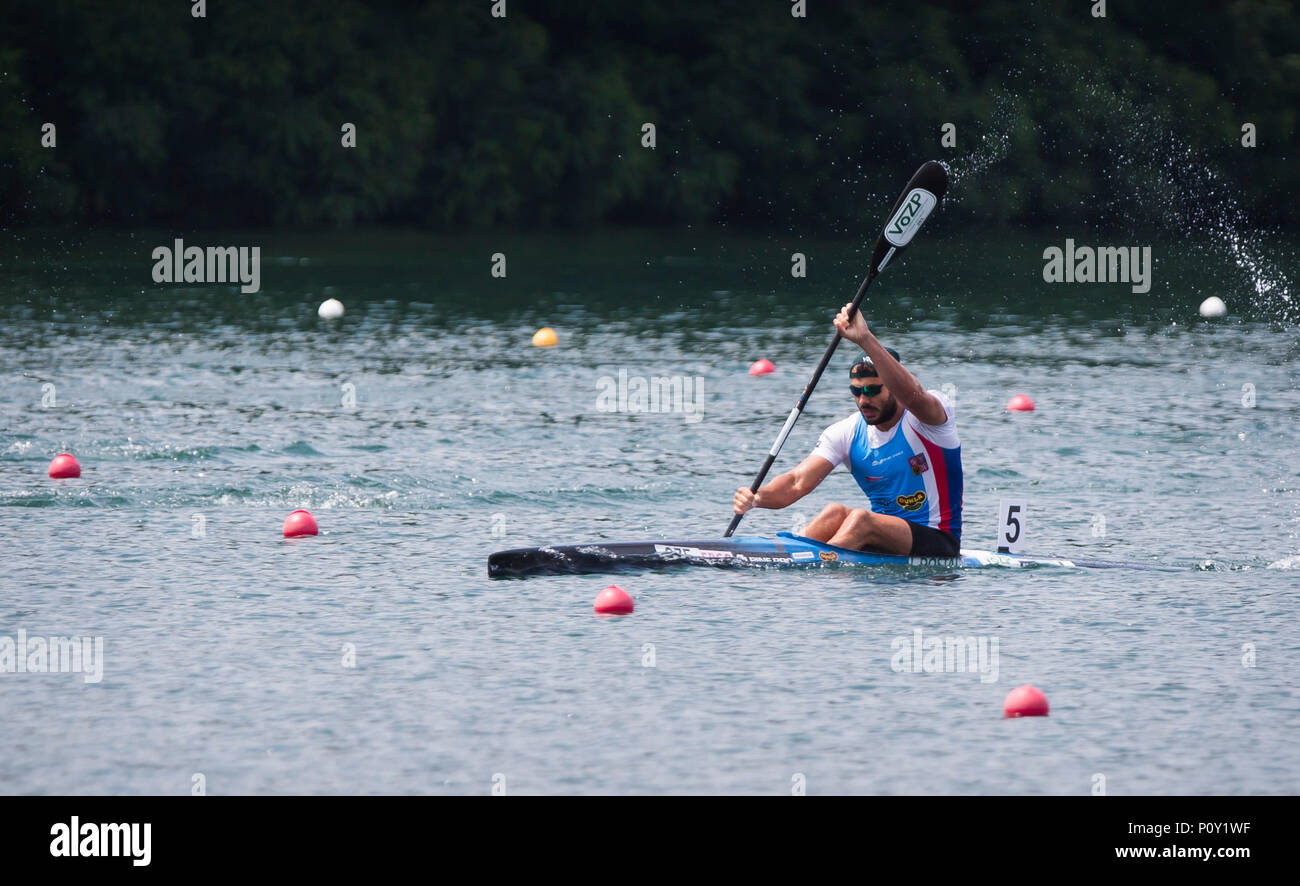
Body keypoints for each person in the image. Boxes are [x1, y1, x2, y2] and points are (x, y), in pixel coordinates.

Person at [732, 303, 963, 557]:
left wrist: (864, 339)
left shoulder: (927, 420)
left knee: (861, 519)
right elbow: (796, 482)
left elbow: (914, 395)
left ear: (893, 388)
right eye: (857, 391)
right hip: (883, 539)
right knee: (834, 513)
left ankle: (817, 564)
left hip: (938, 540)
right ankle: (779, 556)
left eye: (873, 390)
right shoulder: (847, 432)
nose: (864, 399)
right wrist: (756, 498)